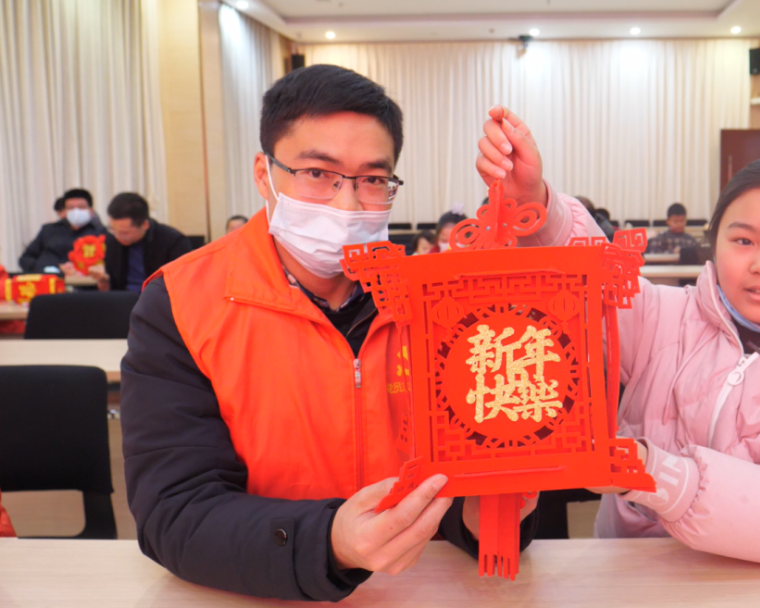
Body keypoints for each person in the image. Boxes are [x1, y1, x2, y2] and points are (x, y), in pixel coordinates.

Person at [120, 66, 537, 602]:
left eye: (372, 179)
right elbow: (174, 514)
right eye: (318, 173)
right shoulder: (181, 302)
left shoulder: (436, 303)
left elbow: (459, 485)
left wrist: (485, 520)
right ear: (264, 173)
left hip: (414, 590)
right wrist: (331, 542)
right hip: (255, 591)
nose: (346, 204)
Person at [477, 106, 760, 566]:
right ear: (715, 241)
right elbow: (587, 284)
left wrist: (659, 474)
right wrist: (534, 206)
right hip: (632, 578)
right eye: (742, 240)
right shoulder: (667, 316)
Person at [88, 193, 191, 293]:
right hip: (123, 301)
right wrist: (105, 283)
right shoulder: (112, 240)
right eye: (113, 230)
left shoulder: (173, 241)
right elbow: (115, 288)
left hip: (159, 300)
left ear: (145, 224)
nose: (117, 237)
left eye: (125, 232)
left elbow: (182, 284)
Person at [18, 188, 105, 273]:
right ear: (65, 211)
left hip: (84, 284)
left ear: (91, 211)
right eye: (71, 208)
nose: (76, 211)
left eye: (81, 207)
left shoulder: (101, 233)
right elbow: (25, 259)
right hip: (48, 281)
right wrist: (44, 269)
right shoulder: (48, 230)